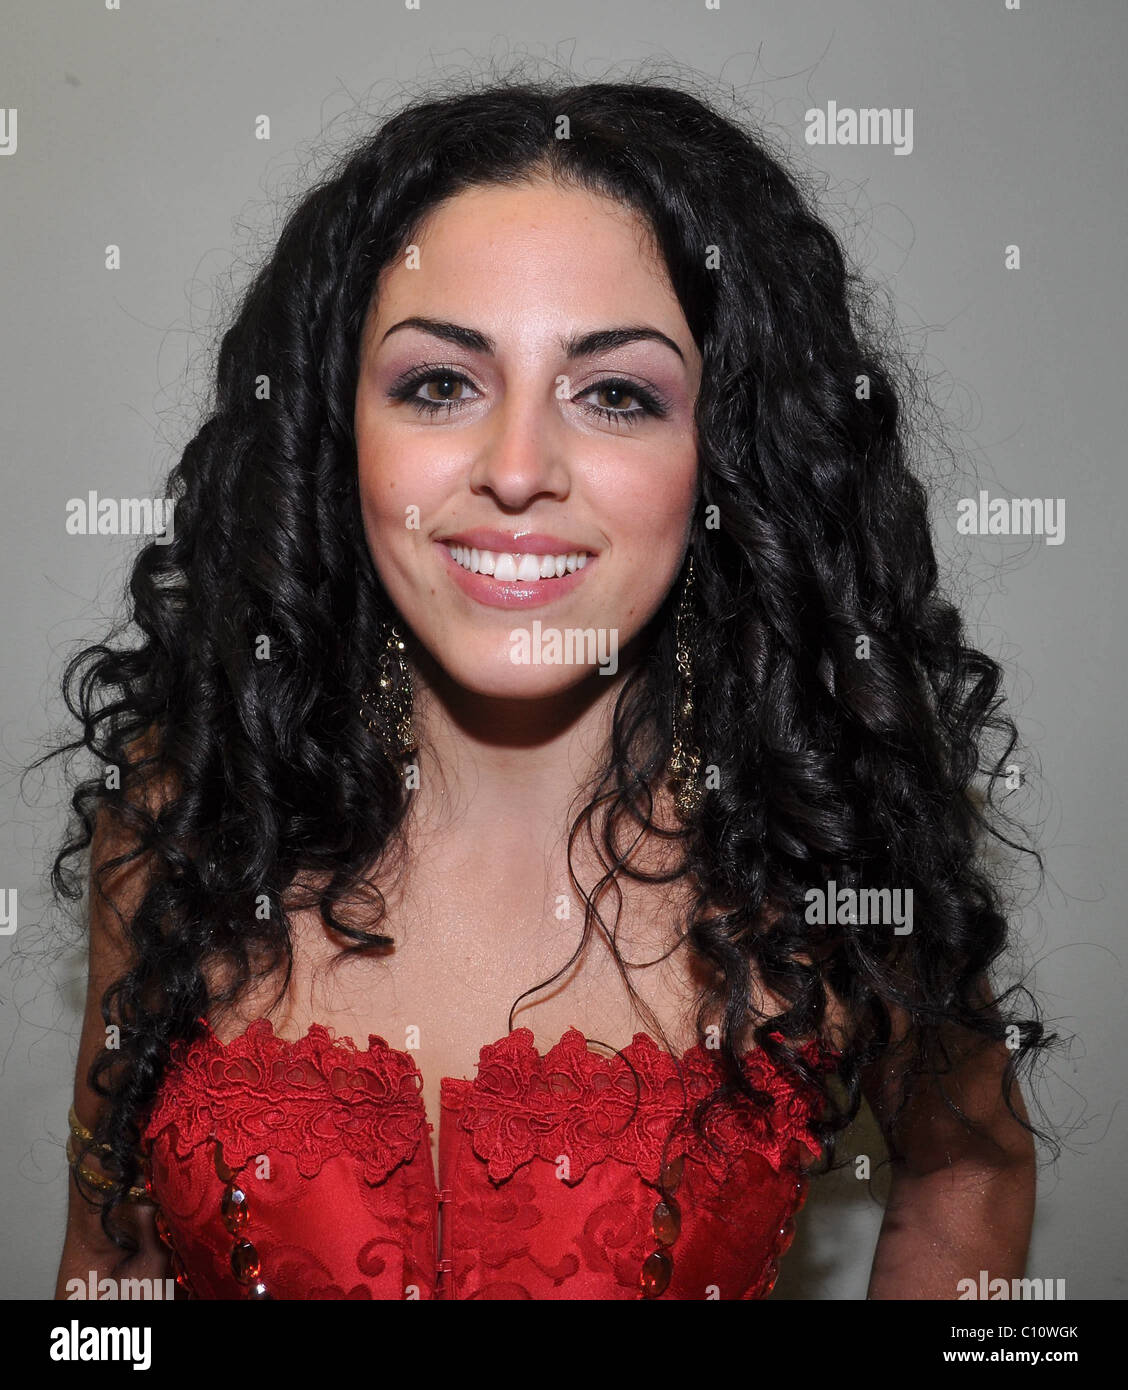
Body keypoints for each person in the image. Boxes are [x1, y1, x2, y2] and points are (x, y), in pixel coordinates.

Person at [51, 76, 1052, 1301]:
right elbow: (106, 1265)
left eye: (616, 394)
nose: (518, 469)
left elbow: (973, 1168)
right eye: (440, 383)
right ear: (335, 435)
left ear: (727, 457)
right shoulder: (182, 821)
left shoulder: (829, 848)